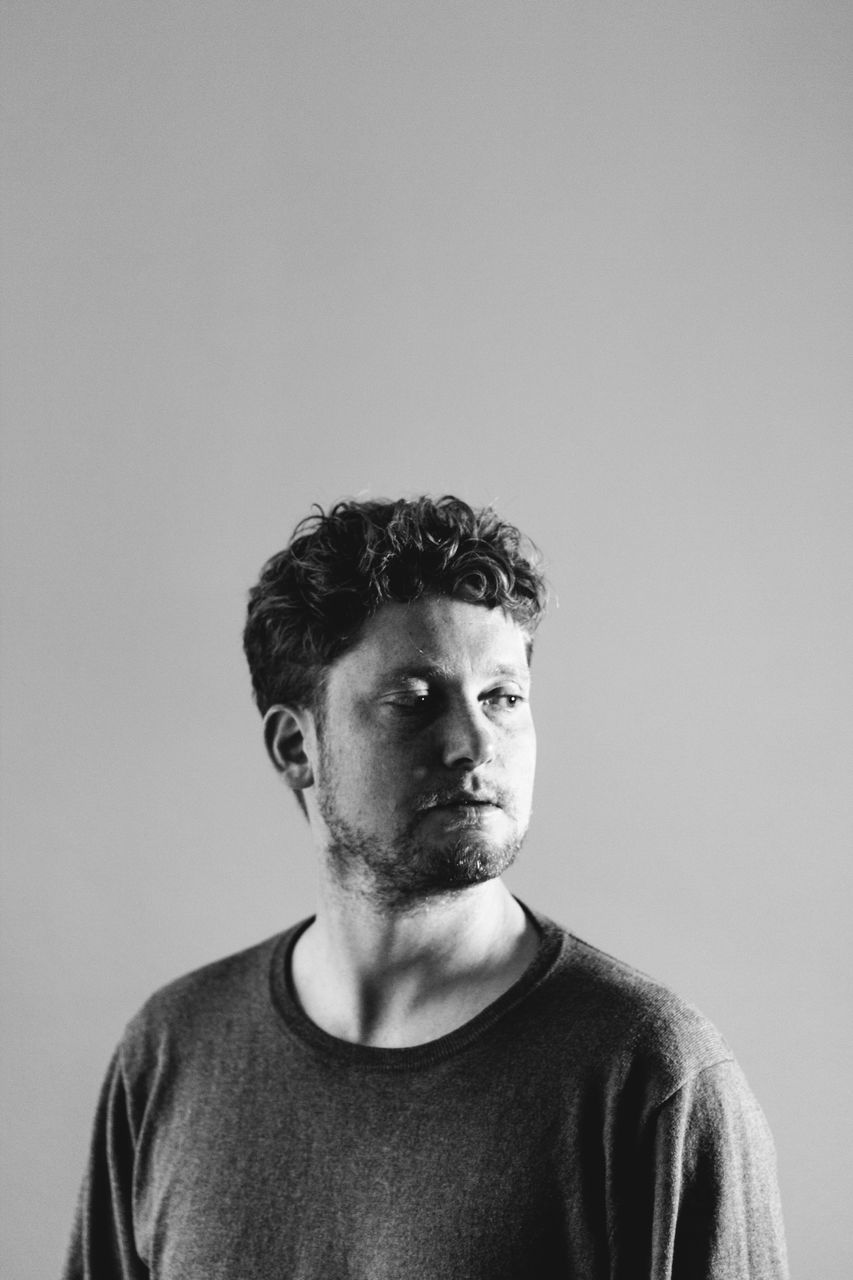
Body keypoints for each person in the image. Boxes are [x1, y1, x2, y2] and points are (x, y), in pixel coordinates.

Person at [63, 495, 789, 1279]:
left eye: (502, 699)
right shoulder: (175, 1047)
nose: (474, 744)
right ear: (294, 748)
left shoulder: (647, 1077)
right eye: (413, 701)